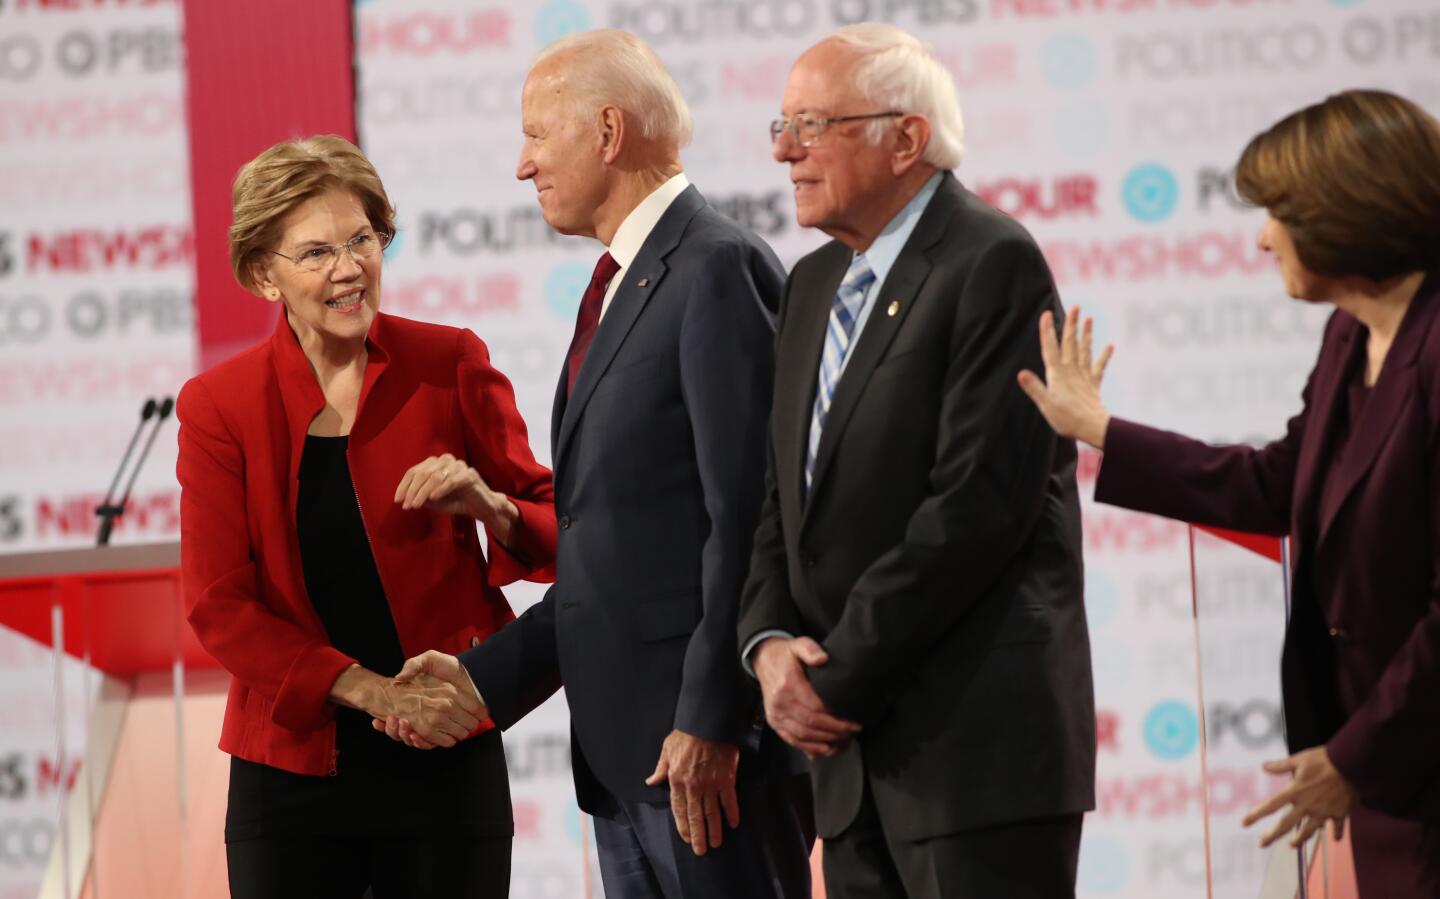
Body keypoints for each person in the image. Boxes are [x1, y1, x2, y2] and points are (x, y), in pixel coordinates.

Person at [383, 30, 814, 899]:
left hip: (702, 762)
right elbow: (614, 559)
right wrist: (479, 677)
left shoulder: (716, 267)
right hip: (628, 764)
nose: (522, 164)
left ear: (608, 132)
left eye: (538, 134)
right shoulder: (629, 283)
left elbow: (751, 518)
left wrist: (711, 718)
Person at [1019, 89, 1440, 898]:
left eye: (1278, 211)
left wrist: (1356, 754)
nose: (1260, 236)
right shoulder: (1351, 331)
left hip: (1408, 759)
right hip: (1389, 776)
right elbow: (1278, 484)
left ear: (1345, 210)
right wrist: (1103, 430)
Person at [736, 23, 1096, 899]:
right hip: (851, 769)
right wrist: (770, 645)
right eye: (780, 128)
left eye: (811, 126)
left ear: (906, 138)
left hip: (974, 755)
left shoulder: (991, 261)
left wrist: (833, 680)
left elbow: (975, 508)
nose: (786, 153)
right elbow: (786, 498)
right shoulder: (814, 283)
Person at [176, 135, 557, 898]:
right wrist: (371, 690)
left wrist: (491, 506)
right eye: (316, 253)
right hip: (291, 770)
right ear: (263, 276)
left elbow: (560, 527)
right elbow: (218, 604)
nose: (349, 269)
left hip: (446, 755)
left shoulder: (448, 362)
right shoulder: (220, 405)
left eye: (362, 240)